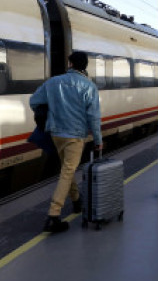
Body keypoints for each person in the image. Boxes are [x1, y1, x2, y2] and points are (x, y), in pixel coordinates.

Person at [29, 51, 103, 234]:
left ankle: (77, 201)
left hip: (56, 133)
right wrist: (98, 140)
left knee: (66, 169)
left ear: (70, 63)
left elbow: (34, 101)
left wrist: (52, 111)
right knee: (68, 171)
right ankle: (53, 215)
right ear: (85, 66)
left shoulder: (54, 82)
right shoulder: (89, 86)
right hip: (75, 135)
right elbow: (93, 117)